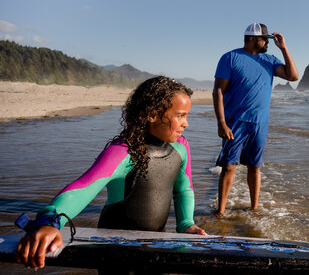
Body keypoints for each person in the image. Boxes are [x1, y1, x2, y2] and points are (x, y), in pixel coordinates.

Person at [15, 76, 207, 270]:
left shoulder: (181, 147)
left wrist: (186, 224)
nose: (186, 123)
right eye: (180, 115)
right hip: (113, 245)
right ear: (152, 114)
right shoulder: (123, 151)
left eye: (187, 116)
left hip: (156, 241)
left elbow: (183, 189)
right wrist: (49, 222)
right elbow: (83, 188)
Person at [213, 23, 298, 216]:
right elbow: (218, 91)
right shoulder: (230, 58)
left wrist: (284, 49)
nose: (267, 43)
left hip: (260, 122)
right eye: (265, 39)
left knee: (254, 166)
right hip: (235, 121)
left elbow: (292, 76)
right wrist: (221, 122)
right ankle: (220, 211)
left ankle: (254, 208)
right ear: (252, 39)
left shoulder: (269, 60)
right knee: (228, 166)